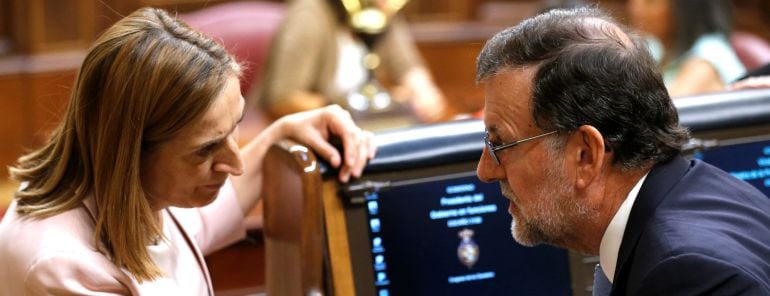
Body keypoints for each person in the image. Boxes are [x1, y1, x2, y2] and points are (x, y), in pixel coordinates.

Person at [0, 7, 374, 295]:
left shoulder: (131, 190)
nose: (237, 164)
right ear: (129, 153)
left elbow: (204, 220)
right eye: (206, 149)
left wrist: (287, 130)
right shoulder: (62, 266)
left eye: (235, 127)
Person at [475, 7, 770, 295]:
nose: (486, 170)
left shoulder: (683, 275)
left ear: (586, 155)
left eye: (501, 144)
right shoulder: (703, 192)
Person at [253, 0, 446, 123]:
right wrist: (357, 109)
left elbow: (409, 68)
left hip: (354, 128)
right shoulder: (310, 13)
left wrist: (423, 92)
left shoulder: (381, 11)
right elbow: (282, 99)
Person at [627, 0, 746, 96]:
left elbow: (664, 117)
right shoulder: (654, 48)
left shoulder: (709, 57)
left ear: (684, 10)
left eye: (650, 2)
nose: (635, 7)